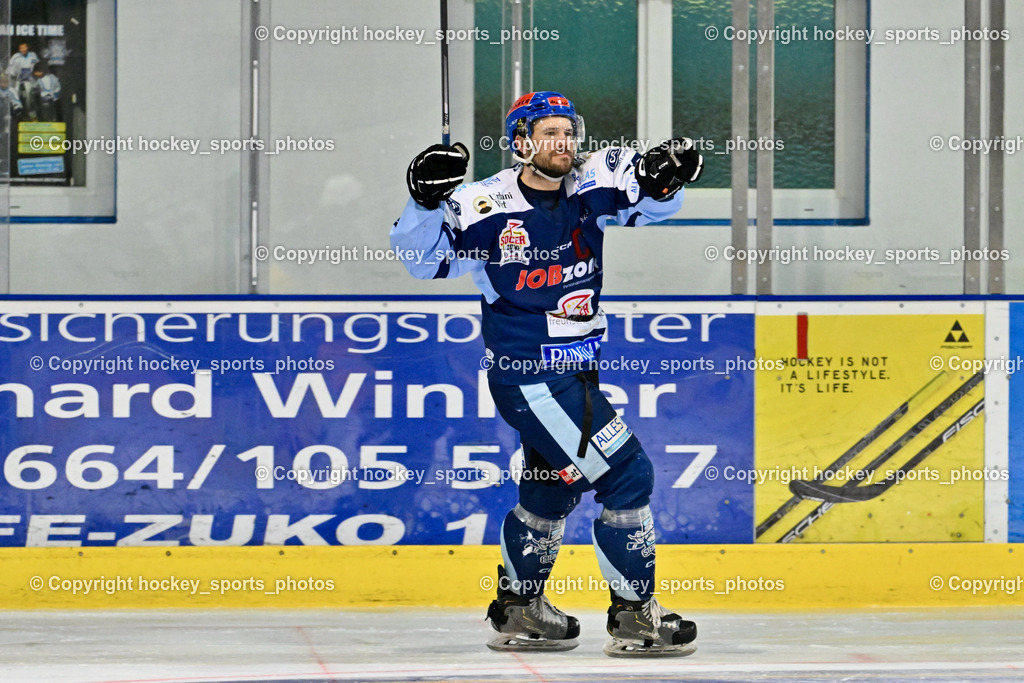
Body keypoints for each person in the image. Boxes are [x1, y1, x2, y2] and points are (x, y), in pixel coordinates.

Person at [390, 91, 703, 657]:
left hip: (575, 374)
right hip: (533, 375)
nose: (563, 144)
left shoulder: (589, 182)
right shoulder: (485, 204)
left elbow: (651, 204)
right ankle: (636, 616)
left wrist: (664, 180)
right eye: (548, 134)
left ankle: (520, 609)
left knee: (551, 489)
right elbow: (423, 261)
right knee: (628, 475)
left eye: (568, 132)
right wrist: (424, 203)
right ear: (520, 143)